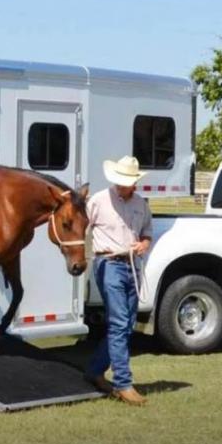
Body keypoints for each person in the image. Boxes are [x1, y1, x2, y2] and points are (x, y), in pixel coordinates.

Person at [86, 155, 153, 406]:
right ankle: (124, 383)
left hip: (132, 266)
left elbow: (147, 233)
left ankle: (94, 370)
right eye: (126, 181)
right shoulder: (98, 201)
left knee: (126, 325)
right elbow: (82, 227)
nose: (130, 186)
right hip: (109, 263)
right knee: (120, 322)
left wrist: (143, 244)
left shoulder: (141, 204)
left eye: (132, 181)